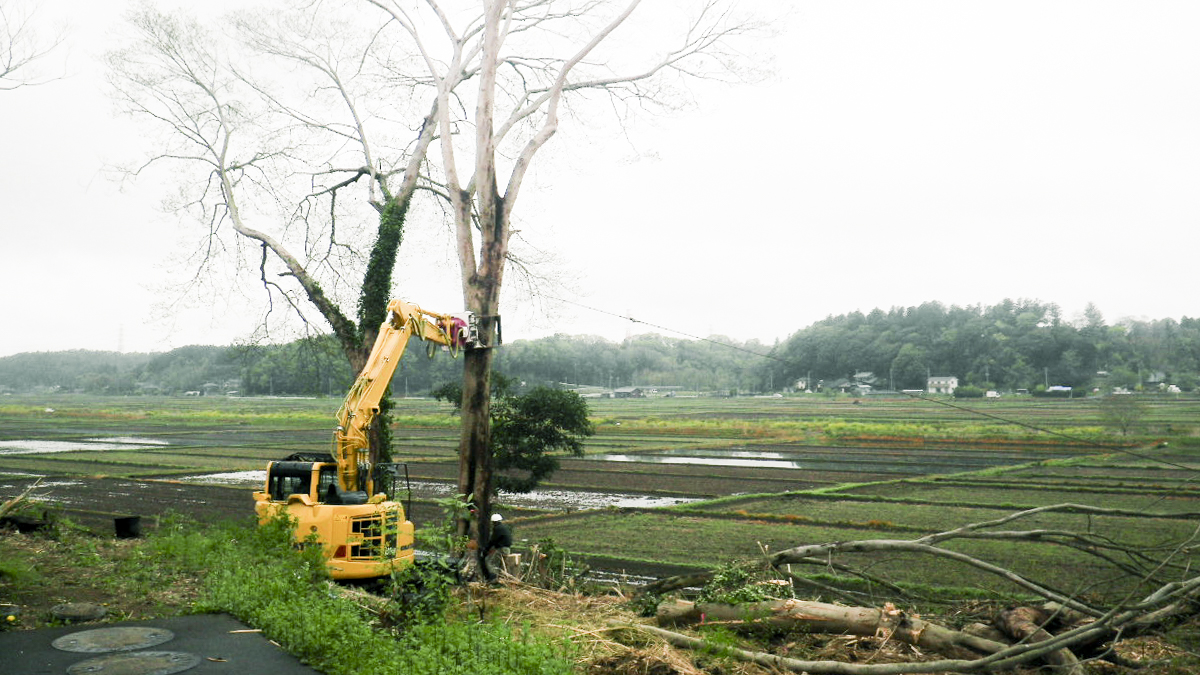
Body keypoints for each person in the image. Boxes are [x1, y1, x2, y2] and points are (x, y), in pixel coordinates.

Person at [483, 513, 513, 580]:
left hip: (502, 549)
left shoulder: (497, 529)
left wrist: (486, 549)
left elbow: (493, 541)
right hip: (507, 549)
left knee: (489, 561)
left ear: (494, 522)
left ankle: (494, 578)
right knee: (499, 564)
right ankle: (501, 578)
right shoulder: (504, 527)